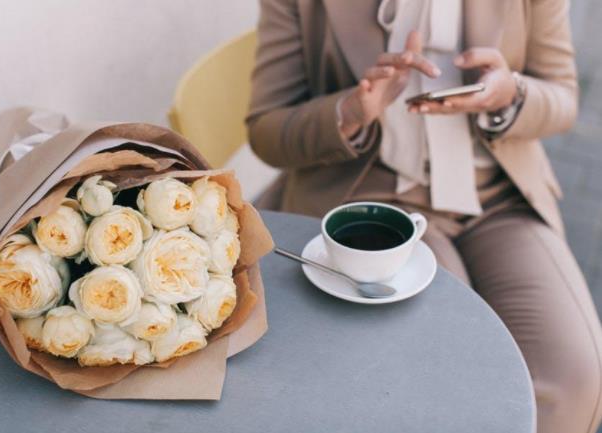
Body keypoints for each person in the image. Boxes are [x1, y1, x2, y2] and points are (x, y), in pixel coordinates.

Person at [246, 1, 602, 432]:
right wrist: (350, 113)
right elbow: (266, 129)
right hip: (375, 201)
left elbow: (563, 96)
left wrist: (512, 95)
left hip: (500, 196)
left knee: (575, 379)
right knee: (449, 367)